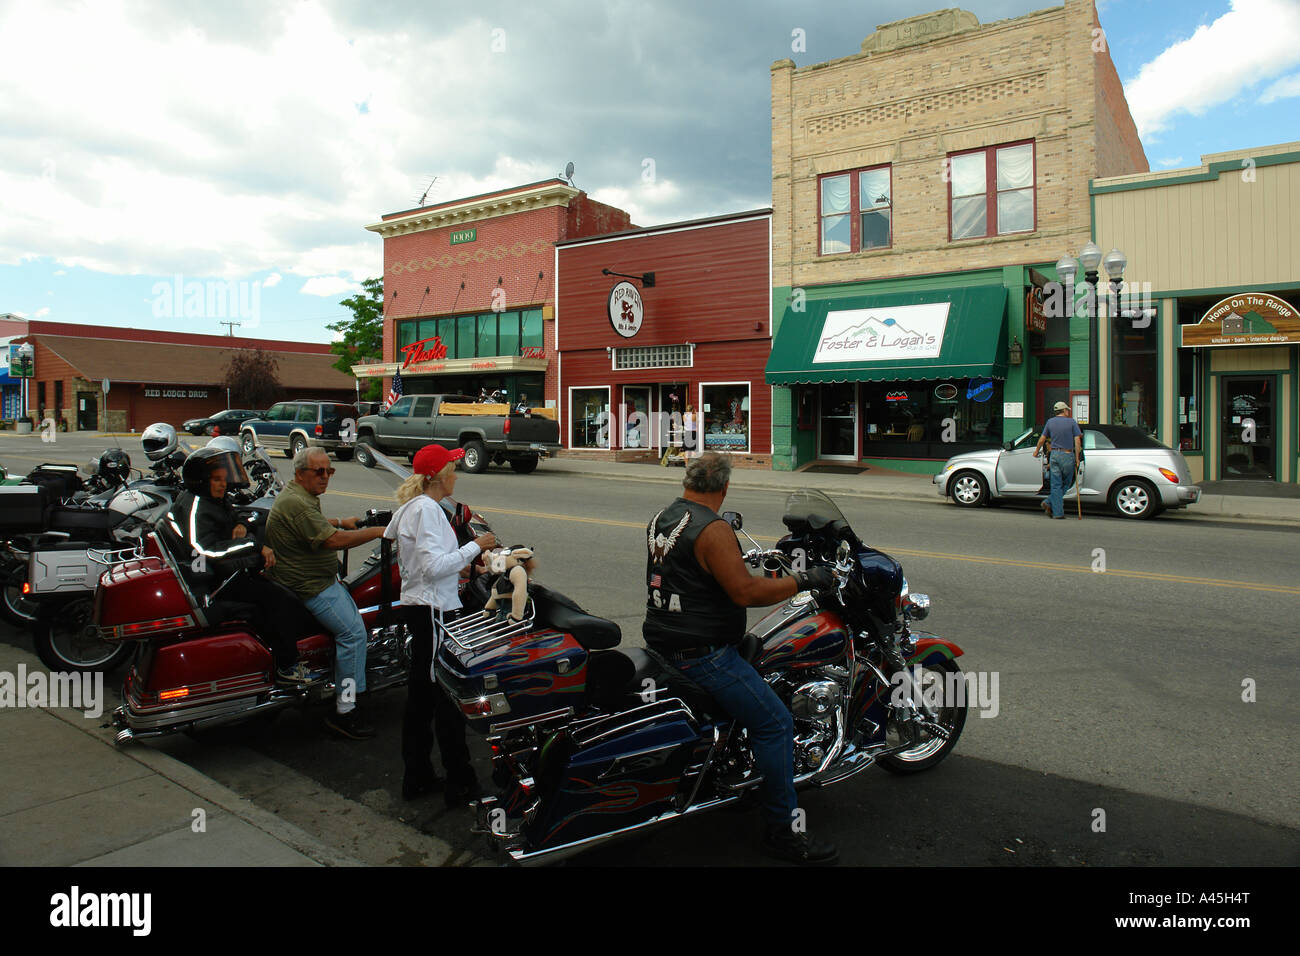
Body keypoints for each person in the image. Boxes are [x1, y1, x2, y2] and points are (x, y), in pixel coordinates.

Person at [643, 451, 839, 865]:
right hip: (705, 655)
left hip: (665, 644)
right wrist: (802, 579)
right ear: (725, 487)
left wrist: (770, 574)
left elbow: (700, 578)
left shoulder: (664, 517)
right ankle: (784, 833)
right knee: (775, 724)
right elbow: (744, 593)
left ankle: (744, 779)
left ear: (688, 482)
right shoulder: (713, 529)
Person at [385, 443, 497, 805]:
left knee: (423, 700)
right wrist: (476, 546)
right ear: (437, 476)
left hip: (425, 609)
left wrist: (463, 563)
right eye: (452, 467)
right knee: (444, 699)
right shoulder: (428, 510)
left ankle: (419, 776)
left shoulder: (415, 508)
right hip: (434, 612)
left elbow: (424, 562)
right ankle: (459, 781)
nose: (456, 473)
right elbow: (433, 568)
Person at [159, 446, 315, 685]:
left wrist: (242, 523)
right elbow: (205, 550)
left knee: (277, 589)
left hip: (215, 571)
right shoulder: (197, 507)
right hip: (212, 581)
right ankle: (287, 667)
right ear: (200, 481)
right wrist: (255, 546)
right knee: (280, 599)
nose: (224, 485)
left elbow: (234, 515)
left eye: (224, 478)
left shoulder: (211, 500)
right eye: (217, 480)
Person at [266, 447, 387, 739]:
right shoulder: (298, 502)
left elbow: (316, 528)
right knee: (354, 635)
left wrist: (341, 521)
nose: (325, 477)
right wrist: (379, 532)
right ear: (300, 473)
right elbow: (332, 542)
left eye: (329, 471)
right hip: (311, 585)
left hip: (310, 579)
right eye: (318, 471)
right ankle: (345, 710)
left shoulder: (300, 496)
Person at [1033, 401, 1083, 519]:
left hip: (1054, 454)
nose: (1068, 412)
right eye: (1067, 410)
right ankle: (1050, 503)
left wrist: (1036, 451)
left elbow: (1042, 439)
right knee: (1066, 483)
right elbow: (1077, 441)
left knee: (1055, 485)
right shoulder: (1071, 422)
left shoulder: (1050, 422)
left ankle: (1055, 510)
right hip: (1067, 454)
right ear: (1064, 410)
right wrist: (1077, 458)